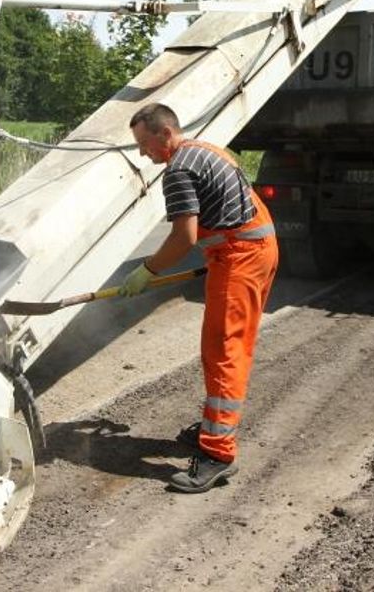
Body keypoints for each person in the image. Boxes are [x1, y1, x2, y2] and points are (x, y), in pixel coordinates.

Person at [122, 103, 279, 493]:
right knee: (223, 348)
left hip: (239, 258)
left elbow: (183, 238)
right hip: (254, 249)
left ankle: (218, 455)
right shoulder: (207, 150)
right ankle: (214, 429)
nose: (142, 153)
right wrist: (220, 249)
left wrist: (147, 271)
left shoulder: (178, 170)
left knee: (224, 352)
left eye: (144, 143)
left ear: (165, 133)